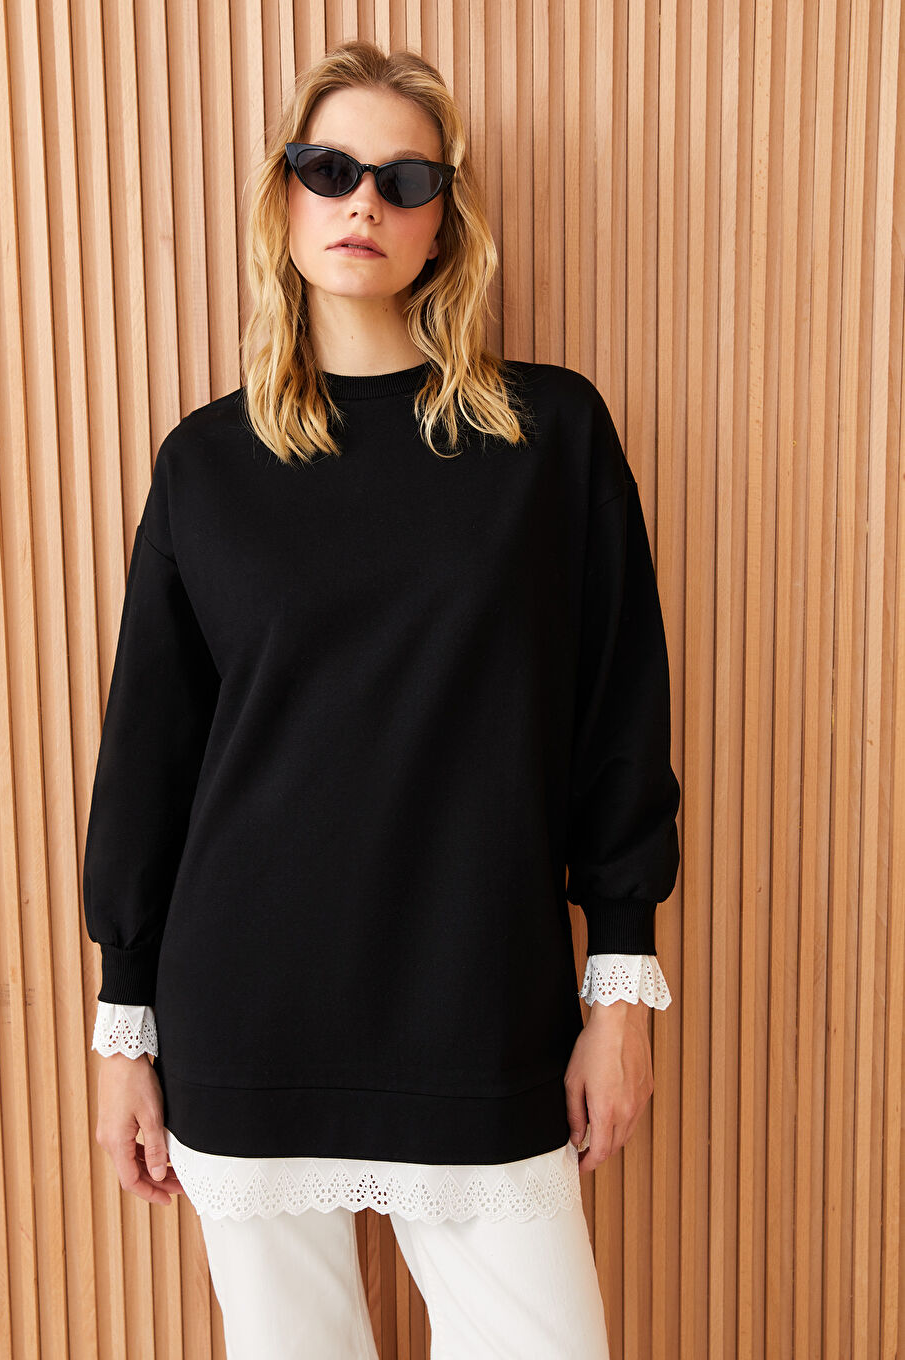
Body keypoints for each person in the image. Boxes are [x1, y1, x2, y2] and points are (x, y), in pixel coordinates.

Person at [84, 39, 680, 1360]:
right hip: (244, 1015)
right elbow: (150, 758)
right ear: (284, 197)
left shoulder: (546, 437)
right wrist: (125, 1029)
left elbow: (617, 717)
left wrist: (619, 992)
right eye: (330, 169)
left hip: (480, 1006)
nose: (363, 201)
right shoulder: (207, 463)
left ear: (443, 220)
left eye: (404, 179)